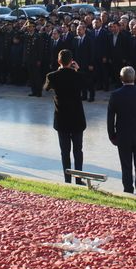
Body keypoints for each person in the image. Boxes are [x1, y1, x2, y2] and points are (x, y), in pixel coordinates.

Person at [107, 66, 136, 196]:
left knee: (126, 165)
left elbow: (110, 118)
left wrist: (112, 135)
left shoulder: (115, 95)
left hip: (123, 136)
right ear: (135, 77)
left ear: (121, 78)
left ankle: (128, 189)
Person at [44, 49, 86, 184]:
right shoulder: (78, 76)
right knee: (78, 150)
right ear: (72, 61)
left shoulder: (52, 76)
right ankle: (78, 179)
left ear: (59, 61)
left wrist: (58, 71)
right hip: (77, 118)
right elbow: (86, 85)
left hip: (62, 118)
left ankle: (67, 179)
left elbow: (46, 88)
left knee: (65, 151)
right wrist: (77, 70)